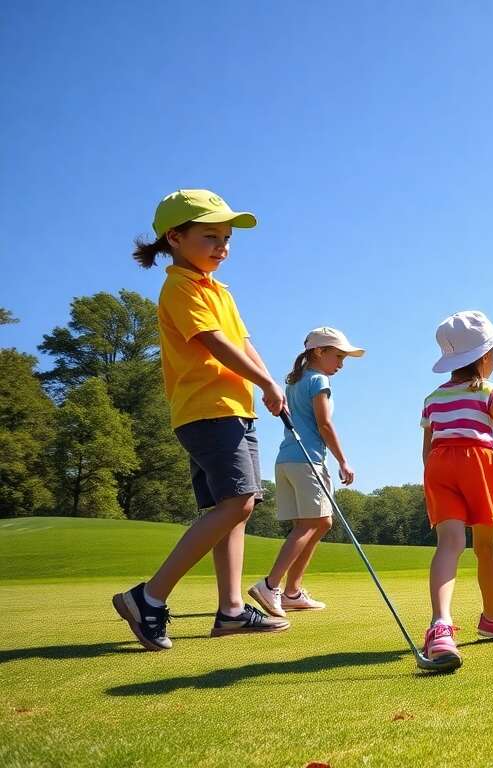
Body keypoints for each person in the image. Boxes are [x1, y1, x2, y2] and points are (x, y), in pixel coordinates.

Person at [113, 189, 290, 651]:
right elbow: (214, 343)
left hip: (235, 406)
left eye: (227, 238)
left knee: (233, 510)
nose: (222, 246)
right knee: (239, 502)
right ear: (174, 237)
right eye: (210, 236)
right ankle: (148, 597)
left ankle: (231, 611)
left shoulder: (219, 290)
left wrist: (270, 384)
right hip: (206, 407)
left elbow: (243, 342)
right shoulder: (181, 287)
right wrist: (265, 384)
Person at [419, 310, 493, 669]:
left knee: (449, 544)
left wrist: (434, 474)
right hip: (479, 462)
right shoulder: (489, 390)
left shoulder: (431, 398)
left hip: (439, 465)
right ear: (484, 357)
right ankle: (490, 617)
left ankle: (440, 625)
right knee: (486, 546)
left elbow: (426, 449)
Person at [248, 327, 364, 617]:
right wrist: (343, 460)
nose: (341, 363)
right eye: (337, 356)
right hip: (307, 460)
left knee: (321, 522)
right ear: (318, 352)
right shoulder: (319, 380)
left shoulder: (296, 382)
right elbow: (324, 425)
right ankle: (270, 585)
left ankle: (292, 592)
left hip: (286, 461)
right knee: (309, 525)